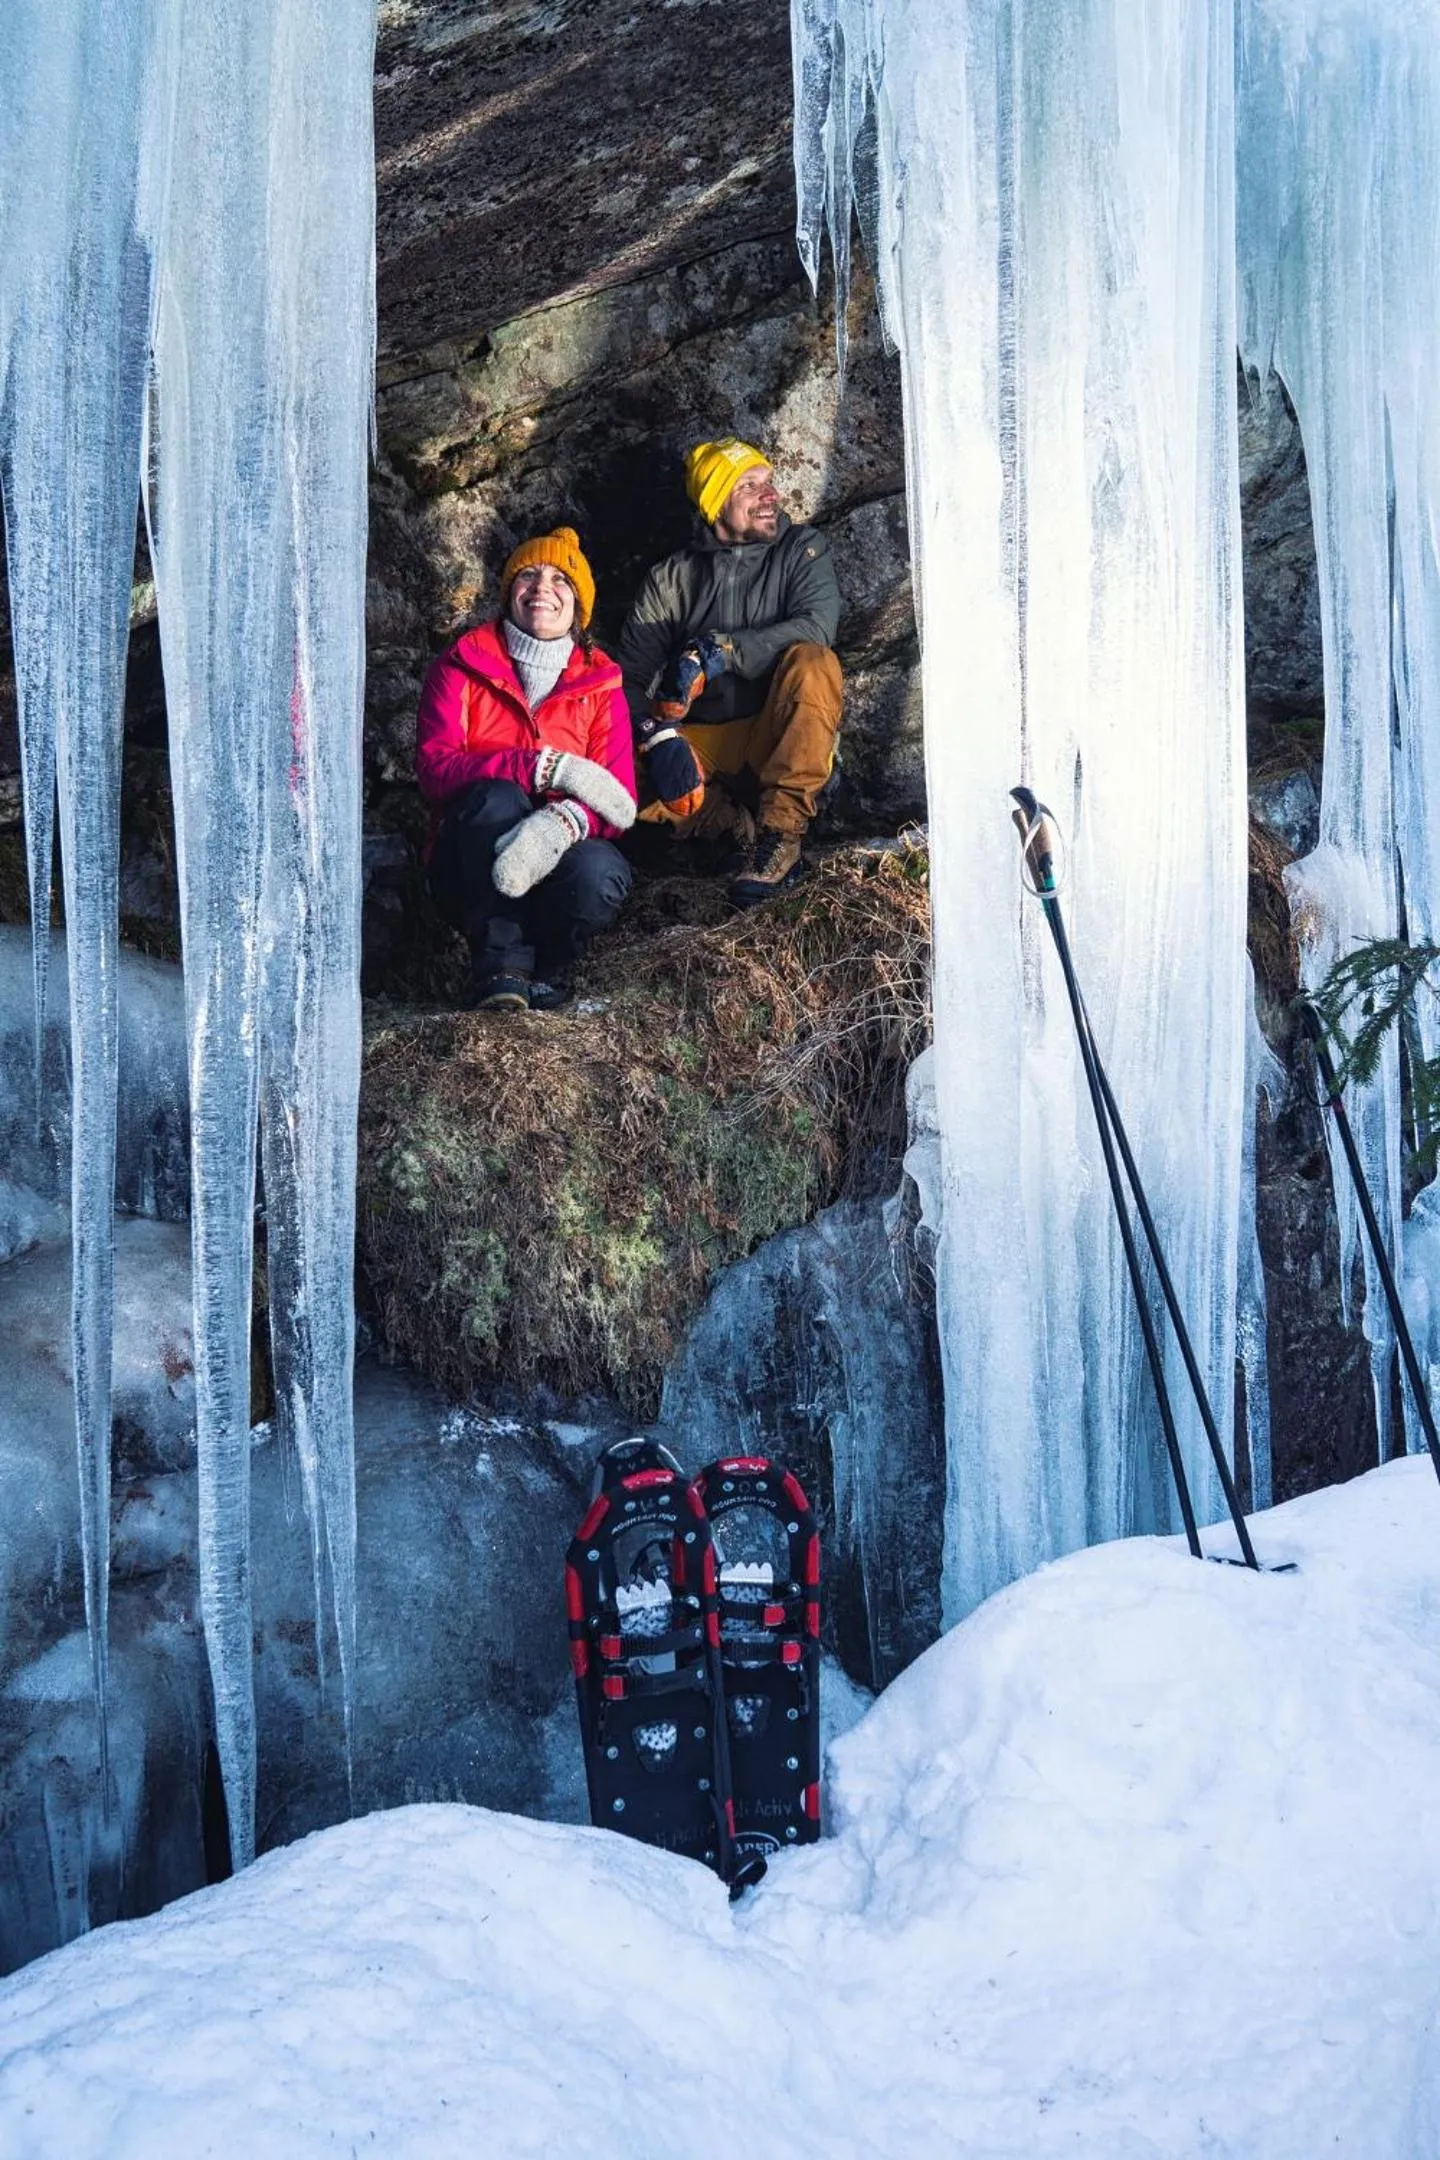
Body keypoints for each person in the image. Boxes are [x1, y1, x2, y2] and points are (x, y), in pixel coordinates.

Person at [416, 527, 636, 1011]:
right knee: (497, 797)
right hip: (468, 862)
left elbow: (618, 801)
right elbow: (435, 770)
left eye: (561, 580)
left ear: (579, 604)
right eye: (528, 575)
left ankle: (550, 969)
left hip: (558, 860)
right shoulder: (461, 666)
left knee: (598, 871)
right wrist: (538, 768)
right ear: (508, 591)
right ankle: (500, 967)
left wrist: (561, 821)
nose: (542, 588)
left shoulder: (602, 686)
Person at [617, 437, 843, 905]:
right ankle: (729, 828)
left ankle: (780, 837)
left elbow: (817, 626)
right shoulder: (672, 579)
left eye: (769, 483)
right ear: (716, 502)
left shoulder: (801, 550)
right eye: (750, 486)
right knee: (611, 760)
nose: (771, 495)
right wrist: (658, 738)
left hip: (774, 733)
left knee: (815, 664)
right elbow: (627, 680)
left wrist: (721, 651)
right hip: (704, 745)